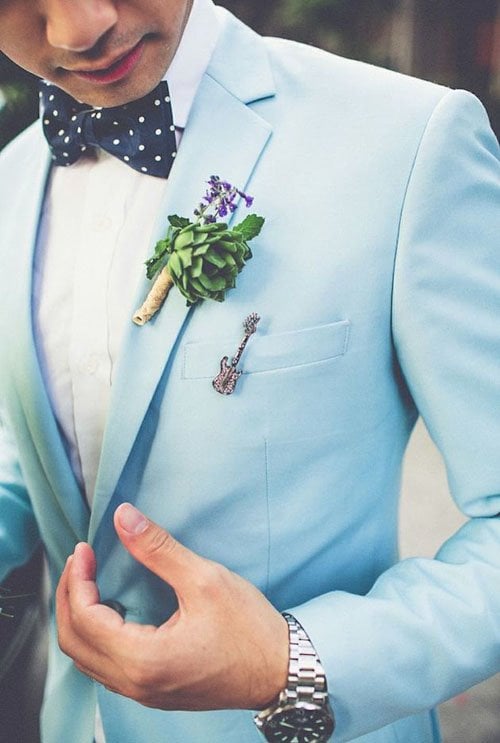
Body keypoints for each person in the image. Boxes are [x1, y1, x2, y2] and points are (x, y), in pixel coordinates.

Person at [0, 0, 499, 741]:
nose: (80, 28)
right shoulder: (10, 179)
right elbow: (39, 443)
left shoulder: (409, 139)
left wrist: (293, 661)